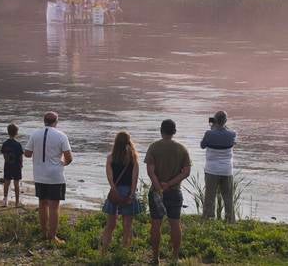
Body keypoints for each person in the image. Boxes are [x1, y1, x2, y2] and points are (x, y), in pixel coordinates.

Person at [145, 119, 192, 264]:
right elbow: (186, 172)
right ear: (174, 131)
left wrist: (159, 186)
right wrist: (170, 184)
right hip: (174, 192)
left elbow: (150, 171)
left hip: (156, 192)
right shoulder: (182, 149)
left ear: (161, 130)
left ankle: (155, 257)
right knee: (175, 224)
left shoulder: (153, 147)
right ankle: (175, 257)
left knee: (156, 225)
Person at [24, 111, 73, 244]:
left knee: (42, 204)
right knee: (54, 206)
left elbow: (27, 153)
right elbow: (69, 158)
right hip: (55, 175)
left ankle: (44, 233)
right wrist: (62, 162)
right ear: (56, 122)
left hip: (39, 175)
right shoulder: (61, 135)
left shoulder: (35, 134)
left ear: (44, 121)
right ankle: (53, 237)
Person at [101, 131, 142, 253]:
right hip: (128, 190)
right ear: (129, 142)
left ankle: (103, 251)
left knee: (110, 225)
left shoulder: (110, 157)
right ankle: (124, 252)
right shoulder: (134, 158)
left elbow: (109, 176)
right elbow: (135, 179)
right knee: (127, 226)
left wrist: (114, 190)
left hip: (115, 191)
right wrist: (131, 194)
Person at [200, 110, 237, 222]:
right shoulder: (232, 134)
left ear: (215, 121)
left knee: (209, 197)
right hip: (227, 170)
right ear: (225, 121)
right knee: (228, 197)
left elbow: (202, 145)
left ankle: (208, 219)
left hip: (212, 170)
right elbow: (233, 143)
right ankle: (230, 220)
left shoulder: (209, 133)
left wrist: (213, 129)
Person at [1, 123, 23, 207]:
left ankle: (5, 200)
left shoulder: (5, 143)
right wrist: (21, 164)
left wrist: (7, 161)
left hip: (8, 165)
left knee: (6, 182)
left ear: (8, 132)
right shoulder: (18, 144)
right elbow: (20, 156)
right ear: (16, 133)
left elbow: (4, 155)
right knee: (16, 183)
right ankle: (17, 202)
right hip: (16, 165)